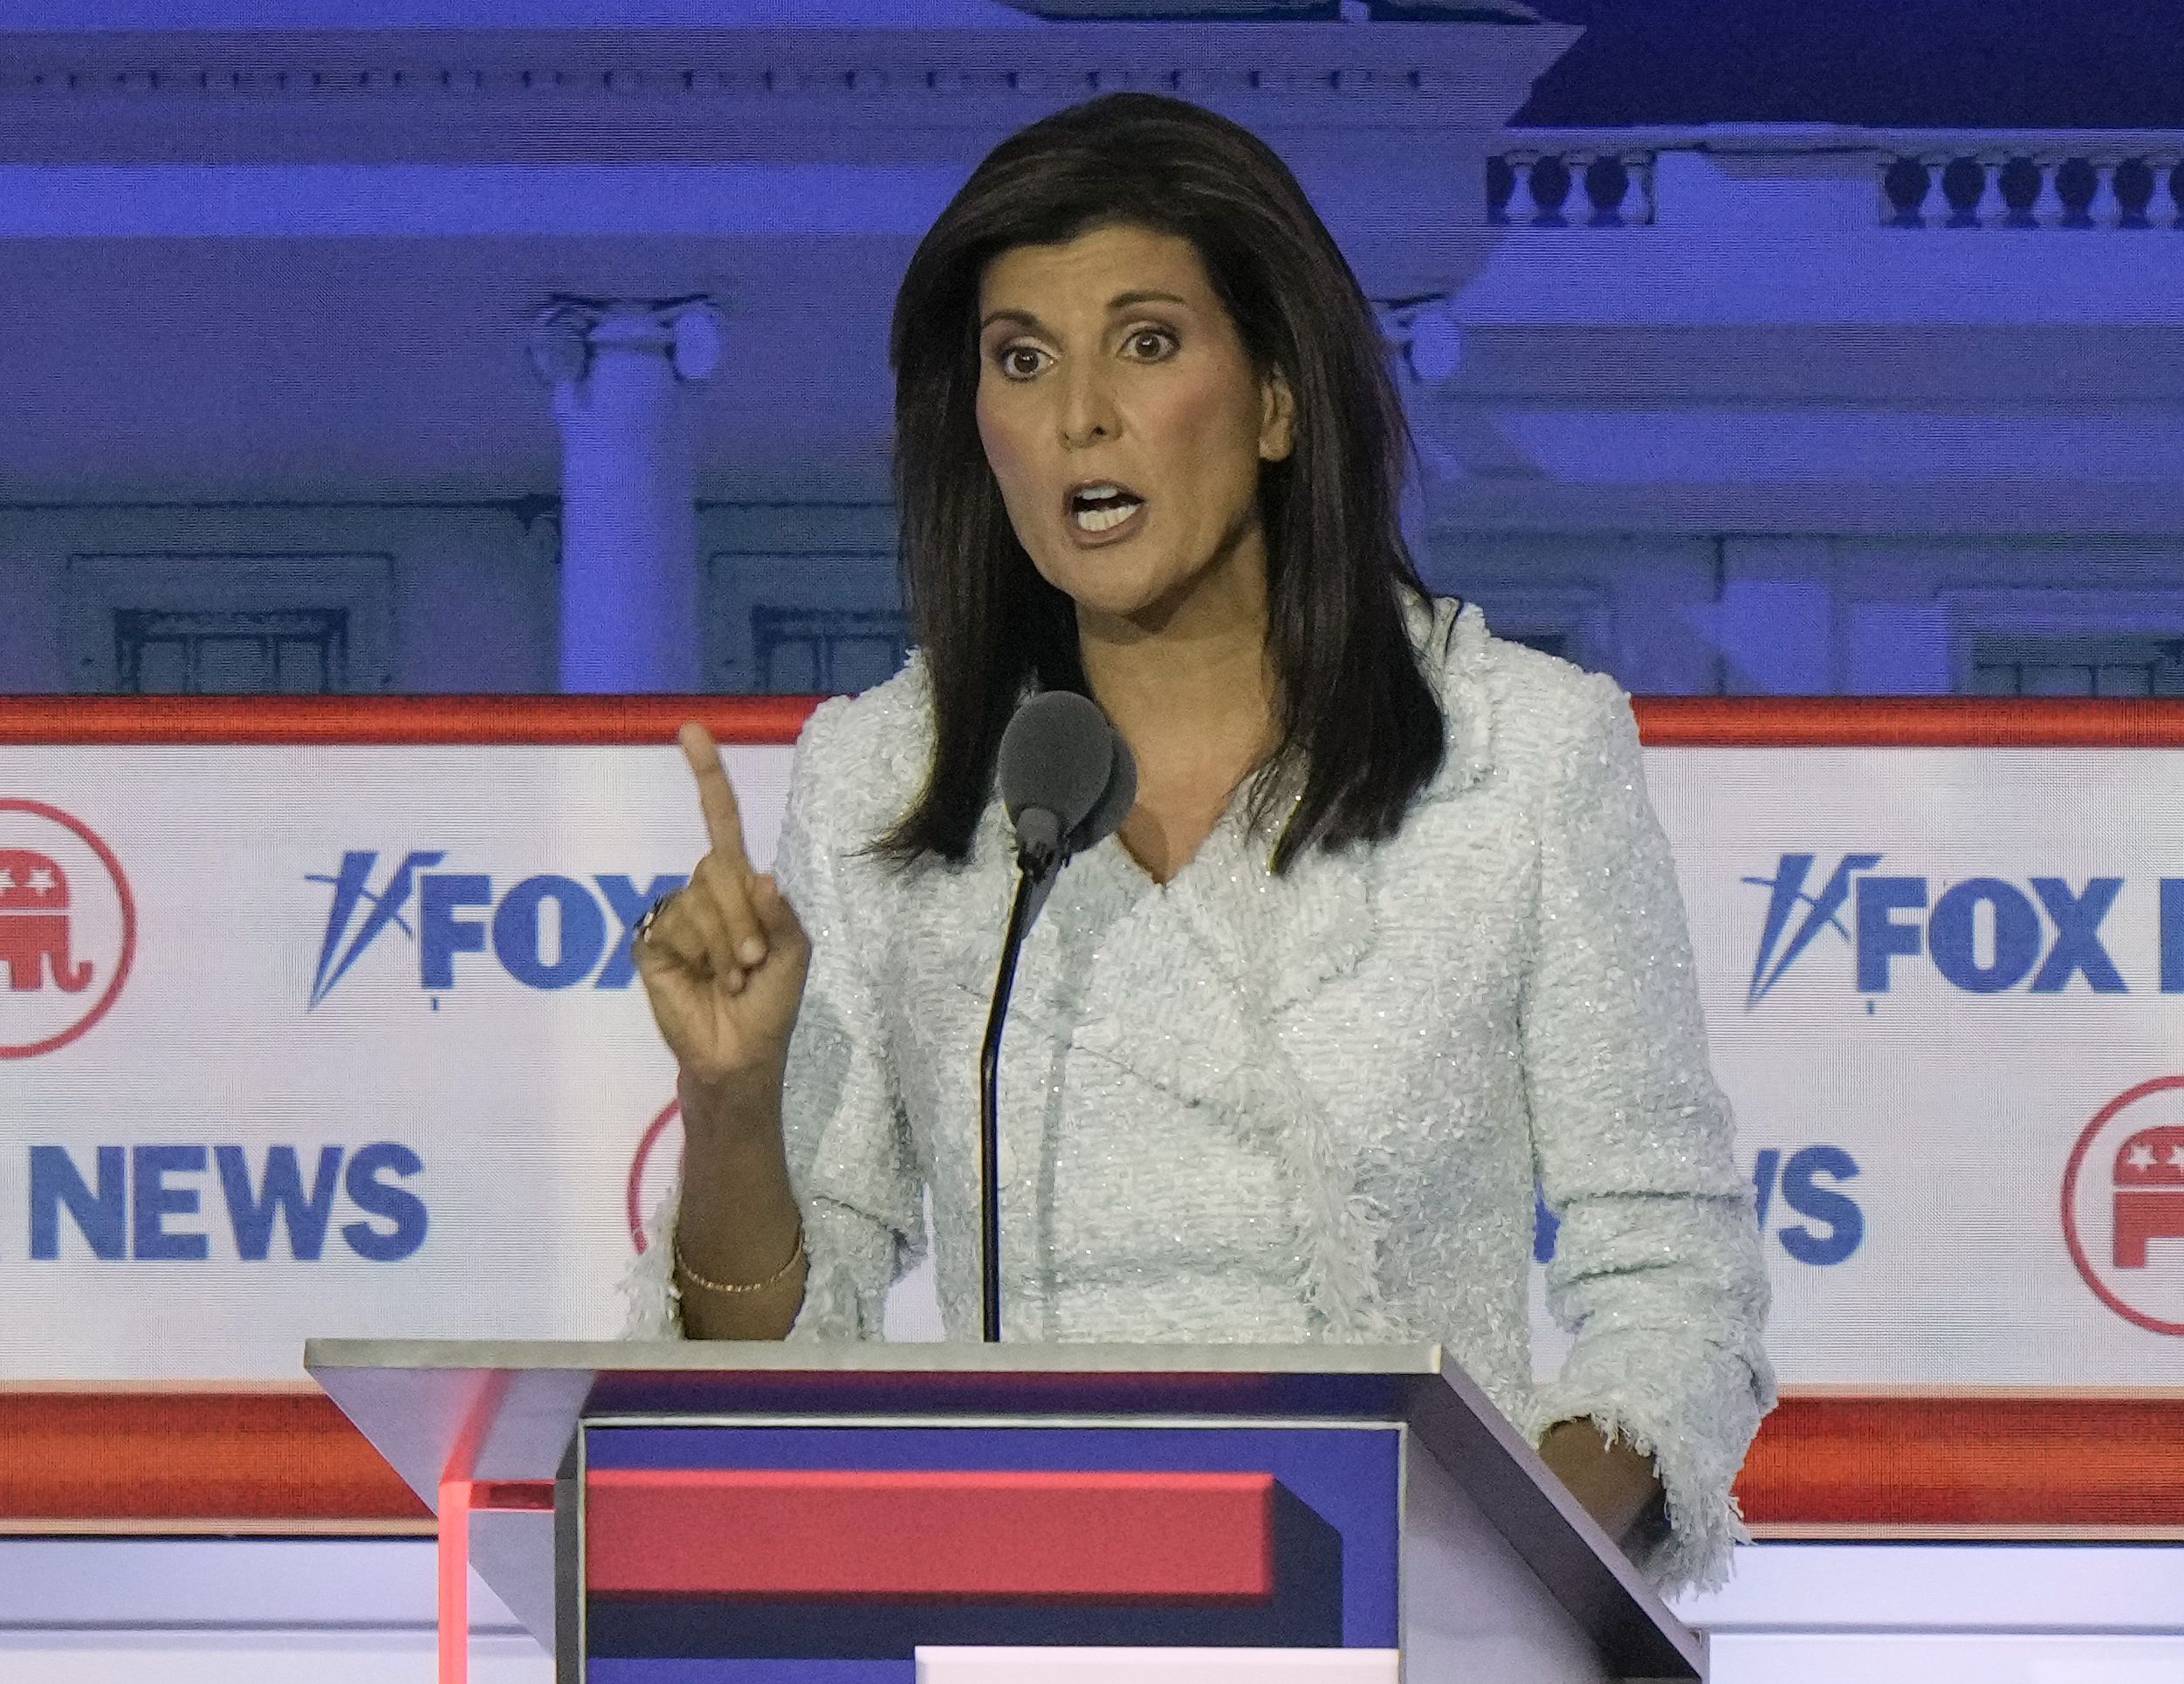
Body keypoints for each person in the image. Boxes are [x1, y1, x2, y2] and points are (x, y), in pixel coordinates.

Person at [624, 92, 1773, 1593]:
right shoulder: (881, 780)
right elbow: (773, 1354)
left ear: (1278, 400)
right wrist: (728, 1098)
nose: (1078, 415)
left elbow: (1672, 1288)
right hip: (1019, 1616)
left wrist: (1478, 1577)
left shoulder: (1520, 752)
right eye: (1020, 360)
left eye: (1146, 342)